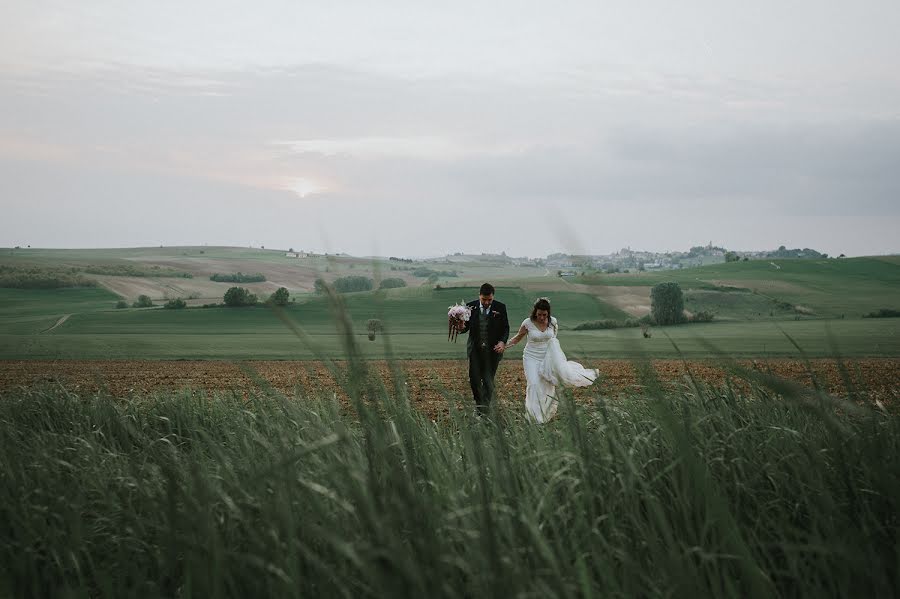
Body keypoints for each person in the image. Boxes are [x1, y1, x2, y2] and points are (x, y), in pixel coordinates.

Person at [505, 297, 598, 423]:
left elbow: (553, 339)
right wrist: (504, 345)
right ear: (535, 312)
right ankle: (533, 416)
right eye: (539, 314)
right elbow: (517, 338)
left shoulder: (553, 322)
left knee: (546, 385)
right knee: (533, 384)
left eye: (544, 315)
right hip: (531, 357)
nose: (542, 318)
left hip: (546, 357)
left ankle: (544, 413)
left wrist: (554, 358)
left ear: (548, 313)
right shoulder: (527, 323)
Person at [456, 283, 510, 416]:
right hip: (475, 349)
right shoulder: (470, 307)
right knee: (474, 379)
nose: (486, 302)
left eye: (489, 300)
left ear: (493, 297)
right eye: (484, 299)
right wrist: (460, 326)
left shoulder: (500, 307)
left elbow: (505, 328)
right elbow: (465, 328)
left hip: (493, 351)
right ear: (479, 296)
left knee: (488, 381)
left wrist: (502, 342)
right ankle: (480, 405)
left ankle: (483, 410)